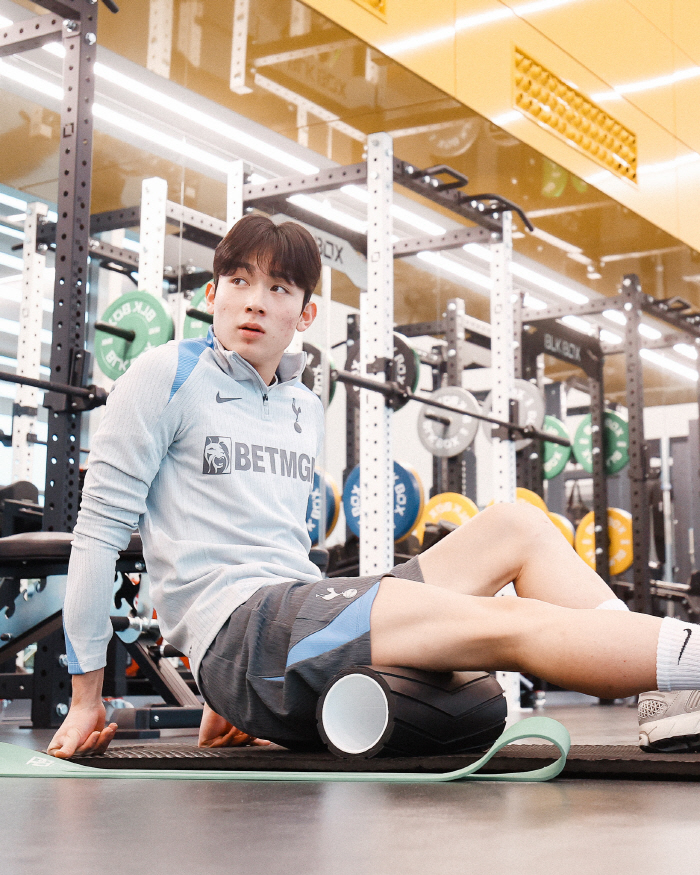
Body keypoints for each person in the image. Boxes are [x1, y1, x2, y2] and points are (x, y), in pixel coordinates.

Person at [48, 215, 700, 759]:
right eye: (238, 280)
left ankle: (664, 687)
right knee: (507, 619)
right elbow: (99, 532)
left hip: (293, 609)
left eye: (277, 287)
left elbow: (284, 544)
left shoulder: (302, 406)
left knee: (519, 525)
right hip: (242, 632)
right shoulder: (164, 373)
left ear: (304, 313)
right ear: (212, 293)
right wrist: (88, 698)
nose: (253, 300)